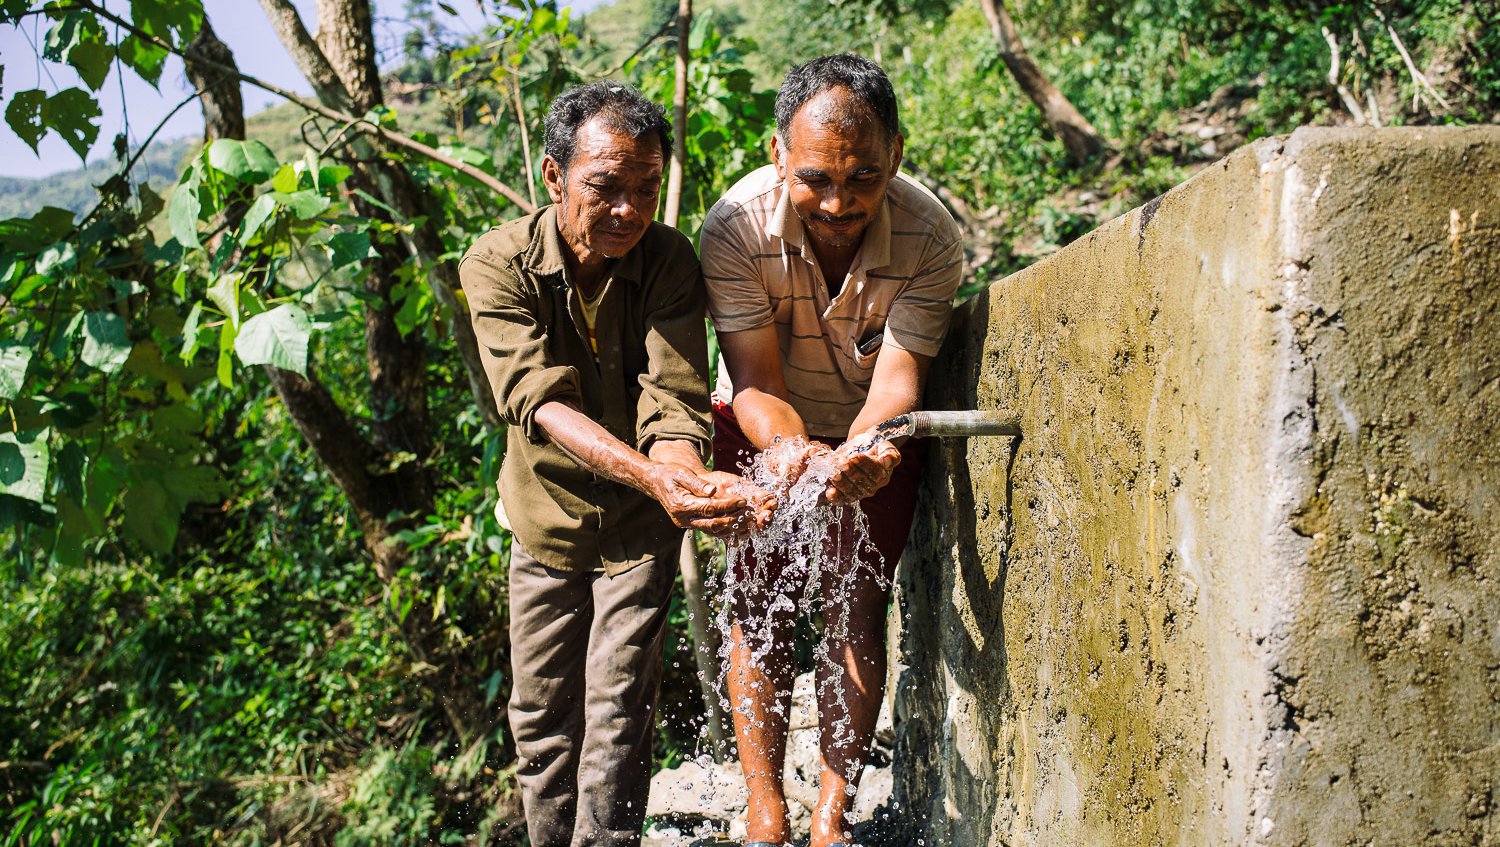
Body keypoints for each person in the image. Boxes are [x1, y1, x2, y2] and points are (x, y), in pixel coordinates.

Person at [459, 81, 770, 847]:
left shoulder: (667, 262)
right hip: (547, 518)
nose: (629, 209)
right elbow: (539, 401)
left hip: (639, 525)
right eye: (606, 187)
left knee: (619, 710)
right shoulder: (496, 264)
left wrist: (685, 479)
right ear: (555, 175)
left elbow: (672, 399)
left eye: (647, 188)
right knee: (539, 716)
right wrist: (657, 476)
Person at [700, 54, 964, 847]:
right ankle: (764, 811)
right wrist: (789, 452)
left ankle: (830, 815)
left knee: (857, 610)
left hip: (870, 428)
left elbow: (897, 380)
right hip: (760, 418)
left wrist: (865, 451)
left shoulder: (931, 236)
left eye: (865, 177)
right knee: (758, 606)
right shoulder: (735, 227)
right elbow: (753, 378)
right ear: (778, 153)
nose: (839, 202)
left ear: (898, 156)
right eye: (815, 177)